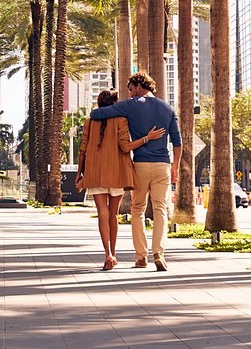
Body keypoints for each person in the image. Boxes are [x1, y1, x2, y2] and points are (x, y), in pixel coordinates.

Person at [89, 72, 181, 271]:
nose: (129, 94)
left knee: (138, 210)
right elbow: (177, 142)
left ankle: (141, 257)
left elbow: (97, 114)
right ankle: (159, 253)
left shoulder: (131, 105)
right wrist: (175, 167)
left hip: (139, 164)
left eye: (131, 89)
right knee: (160, 210)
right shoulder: (167, 108)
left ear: (139, 86)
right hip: (163, 165)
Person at [75, 90, 165, 270]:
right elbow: (126, 147)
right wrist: (148, 137)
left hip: (95, 172)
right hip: (117, 172)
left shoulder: (89, 122)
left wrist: (80, 173)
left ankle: (107, 253)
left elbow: (83, 150)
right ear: (114, 104)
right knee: (113, 215)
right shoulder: (121, 120)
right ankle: (114, 254)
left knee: (102, 214)